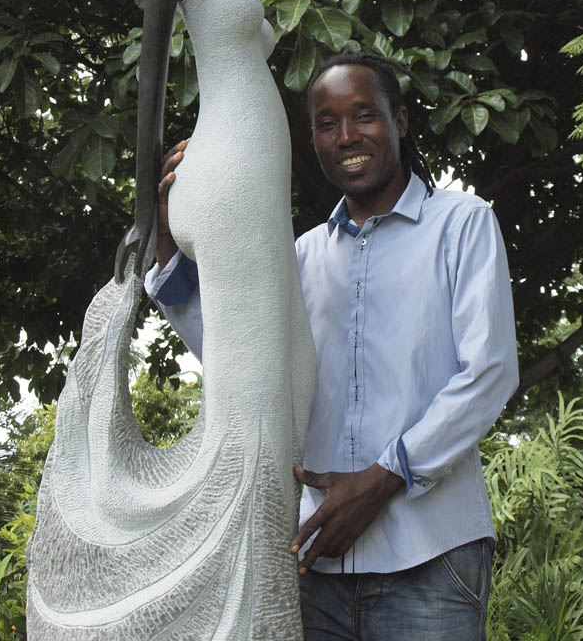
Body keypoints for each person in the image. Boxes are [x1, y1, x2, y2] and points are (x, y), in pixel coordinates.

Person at [27, 0, 316, 640]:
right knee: (253, 393)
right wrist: (146, 215)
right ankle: (235, 604)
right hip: (225, 169)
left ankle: (245, 592)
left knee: (281, 376)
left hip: (249, 163)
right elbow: (152, 80)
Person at [145, 50, 520, 641]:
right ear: (314, 140)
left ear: (399, 121)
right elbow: (239, 362)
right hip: (315, 563)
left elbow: (490, 372)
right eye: (327, 123)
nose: (347, 136)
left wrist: (385, 475)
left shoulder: (462, 222)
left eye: (364, 115)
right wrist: (169, 242)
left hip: (432, 558)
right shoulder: (300, 256)